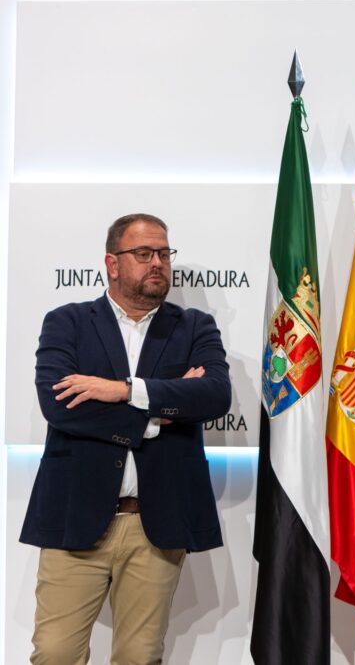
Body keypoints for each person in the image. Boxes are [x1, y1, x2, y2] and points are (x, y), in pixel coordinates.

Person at [21, 213, 231, 664]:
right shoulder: (67, 323)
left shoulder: (194, 326)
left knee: (139, 657)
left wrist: (122, 390)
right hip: (74, 518)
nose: (157, 262)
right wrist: (156, 417)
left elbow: (213, 396)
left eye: (163, 253)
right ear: (112, 264)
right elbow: (60, 405)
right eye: (143, 254)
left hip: (155, 524)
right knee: (54, 654)